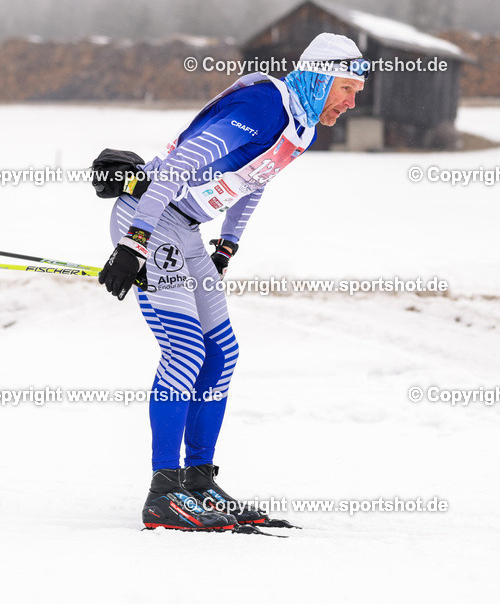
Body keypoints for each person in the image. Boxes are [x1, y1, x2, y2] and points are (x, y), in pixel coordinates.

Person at [98, 33, 367, 531]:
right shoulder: (262, 105)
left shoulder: (301, 126)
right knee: (185, 351)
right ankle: (164, 493)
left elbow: (253, 180)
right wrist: (135, 242)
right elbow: (178, 165)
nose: (353, 102)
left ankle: (198, 482)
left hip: (186, 230)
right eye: (347, 89)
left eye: (357, 92)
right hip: (150, 218)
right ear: (320, 78)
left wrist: (226, 246)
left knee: (222, 352)